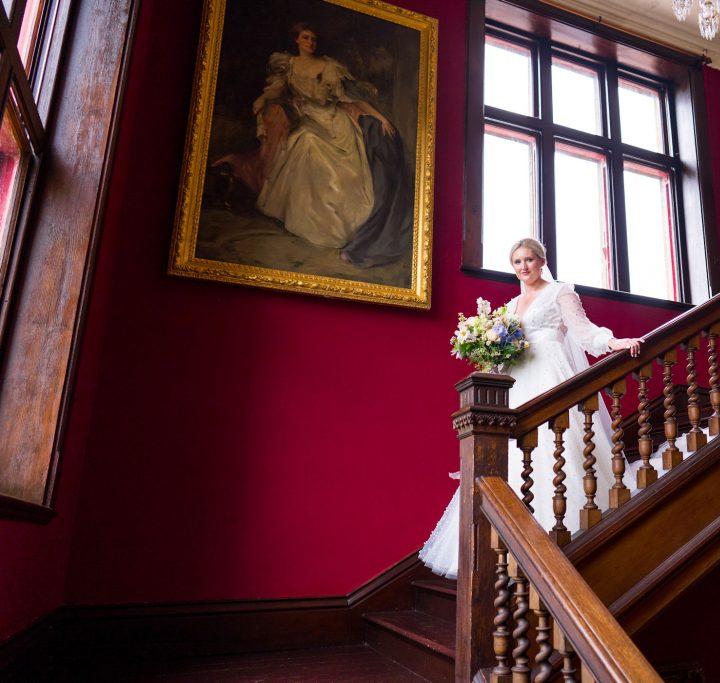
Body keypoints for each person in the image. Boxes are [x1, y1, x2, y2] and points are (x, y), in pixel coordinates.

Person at [419, 238, 643, 579]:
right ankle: (510, 541)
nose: (523, 266)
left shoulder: (560, 291)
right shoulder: (511, 305)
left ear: (542, 261)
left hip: (551, 374)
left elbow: (583, 332)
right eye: (517, 261)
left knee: (558, 442)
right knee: (510, 448)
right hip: (519, 382)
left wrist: (614, 342)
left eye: (529, 259)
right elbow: (505, 352)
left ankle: (566, 532)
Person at [218, 23, 412, 267]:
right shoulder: (288, 66)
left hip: (335, 123)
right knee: (305, 141)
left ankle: (338, 227)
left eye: (314, 39)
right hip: (309, 121)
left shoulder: (328, 67)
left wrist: (381, 118)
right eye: (306, 38)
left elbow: (348, 99)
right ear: (297, 40)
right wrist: (261, 98)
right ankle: (308, 220)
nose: (311, 42)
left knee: (330, 158)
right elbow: (275, 90)